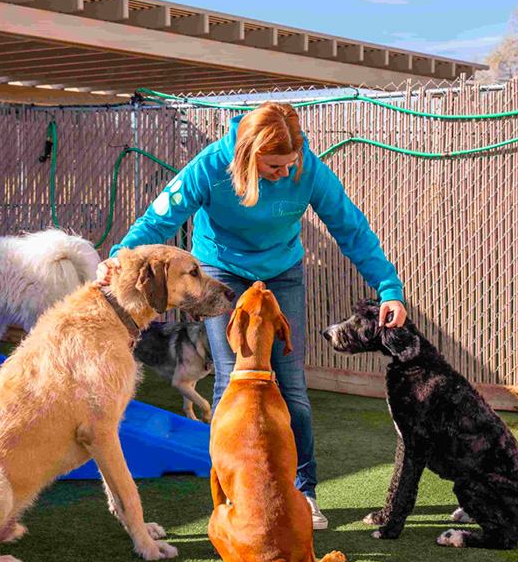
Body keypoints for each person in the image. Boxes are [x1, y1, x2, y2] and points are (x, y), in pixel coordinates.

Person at [98, 102, 406, 530]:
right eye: (274, 166)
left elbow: (350, 228)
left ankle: (304, 492)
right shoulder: (210, 167)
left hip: (282, 271)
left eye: (290, 164)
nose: (284, 174)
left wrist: (388, 287)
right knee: (230, 380)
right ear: (247, 155)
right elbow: (157, 221)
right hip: (223, 272)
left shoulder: (307, 170)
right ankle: (230, 493)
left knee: (290, 382)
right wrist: (118, 258)